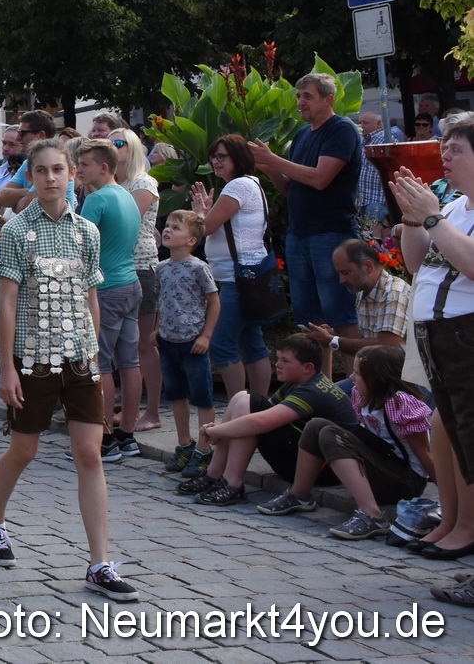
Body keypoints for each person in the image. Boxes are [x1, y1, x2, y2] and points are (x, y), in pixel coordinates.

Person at [0, 138, 134, 600]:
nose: (50, 178)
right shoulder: (15, 230)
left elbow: (92, 298)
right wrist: (7, 368)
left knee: (90, 455)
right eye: (41, 170)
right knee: (24, 451)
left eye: (58, 170)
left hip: (79, 358)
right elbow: (7, 304)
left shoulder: (87, 232)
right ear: (32, 176)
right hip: (32, 359)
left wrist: (94, 355)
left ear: (72, 175)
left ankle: (99, 564)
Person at [390, 121, 474, 571]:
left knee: (468, 436)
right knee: (449, 429)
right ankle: (454, 518)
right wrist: (411, 217)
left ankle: (466, 529)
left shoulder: (452, 213)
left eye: (456, 150)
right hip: (438, 336)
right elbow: (419, 264)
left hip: (466, 335)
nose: (445, 157)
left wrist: (433, 217)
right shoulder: (458, 206)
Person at [256, 345, 434, 539]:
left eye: (358, 373)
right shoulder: (363, 396)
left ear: (377, 377)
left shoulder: (401, 404)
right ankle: (300, 495)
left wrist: (448, 501)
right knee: (317, 425)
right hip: (383, 465)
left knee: (332, 435)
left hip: (406, 481)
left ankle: (372, 515)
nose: (351, 377)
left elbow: (424, 453)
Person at [251, 72, 362, 374]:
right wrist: (270, 169)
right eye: (299, 95)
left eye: (307, 96)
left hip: (332, 234)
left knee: (342, 316)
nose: (300, 102)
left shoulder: (342, 130)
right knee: (312, 320)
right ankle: (322, 388)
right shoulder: (302, 134)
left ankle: (356, 389)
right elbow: (292, 188)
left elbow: (320, 178)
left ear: (328, 100)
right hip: (299, 235)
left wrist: (274, 160)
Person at [183, 333, 356, 506]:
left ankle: (232, 484)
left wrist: (215, 430)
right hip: (308, 460)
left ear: (308, 367)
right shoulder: (297, 382)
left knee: (247, 403)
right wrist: (218, 426)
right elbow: (265, 408)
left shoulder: (312, 390)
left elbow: (262, 421)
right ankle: (213, 475)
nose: (278, 365)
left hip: (322, 471)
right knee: (241, 398)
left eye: (285, 361)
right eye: (278, 358)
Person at [191, 134, 275, 399]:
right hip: (247, 274)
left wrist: (200, 213)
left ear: (238, 157)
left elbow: (206, 227)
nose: (216, 162)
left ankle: (238, 408)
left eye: (222, 156)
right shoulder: (250, 184)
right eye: (213, 156)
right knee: (252, 344)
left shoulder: (238, 186)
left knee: (221, 343)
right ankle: (257, 405)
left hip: (236, 278)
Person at [76, 139, 143, 462]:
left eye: (84, 164)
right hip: (130, 284)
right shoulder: (127, 196)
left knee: (99, 364)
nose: (79, 170)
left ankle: (104, 439)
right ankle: (126, 434)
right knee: (129, 362)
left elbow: (78, 247)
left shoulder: (97, 199)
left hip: (105, 289)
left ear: (103, 167)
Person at [152, 210, 220, 478]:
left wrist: (205, 336)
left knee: (202, 396)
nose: (168, 230)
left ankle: (204, 448)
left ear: (192, 240)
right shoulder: (161, 268)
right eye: (167, 226)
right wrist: (157, 329)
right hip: (168, 342)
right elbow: (162, 301)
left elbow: (214, 302)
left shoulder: (198, 268)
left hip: (192, 342)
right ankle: (184, 444)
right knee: (176, 395)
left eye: (176, 227)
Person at [111, 128, 163, 431]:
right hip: (118, 267)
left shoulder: (144, 182)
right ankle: (131, 409)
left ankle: (152, 412)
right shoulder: (115, 184)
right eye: (109, 143)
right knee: (124, 345)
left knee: (145, 345)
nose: (112, 147)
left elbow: (124, 221)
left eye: (118, 143)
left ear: (132, 148)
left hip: (141, 267)